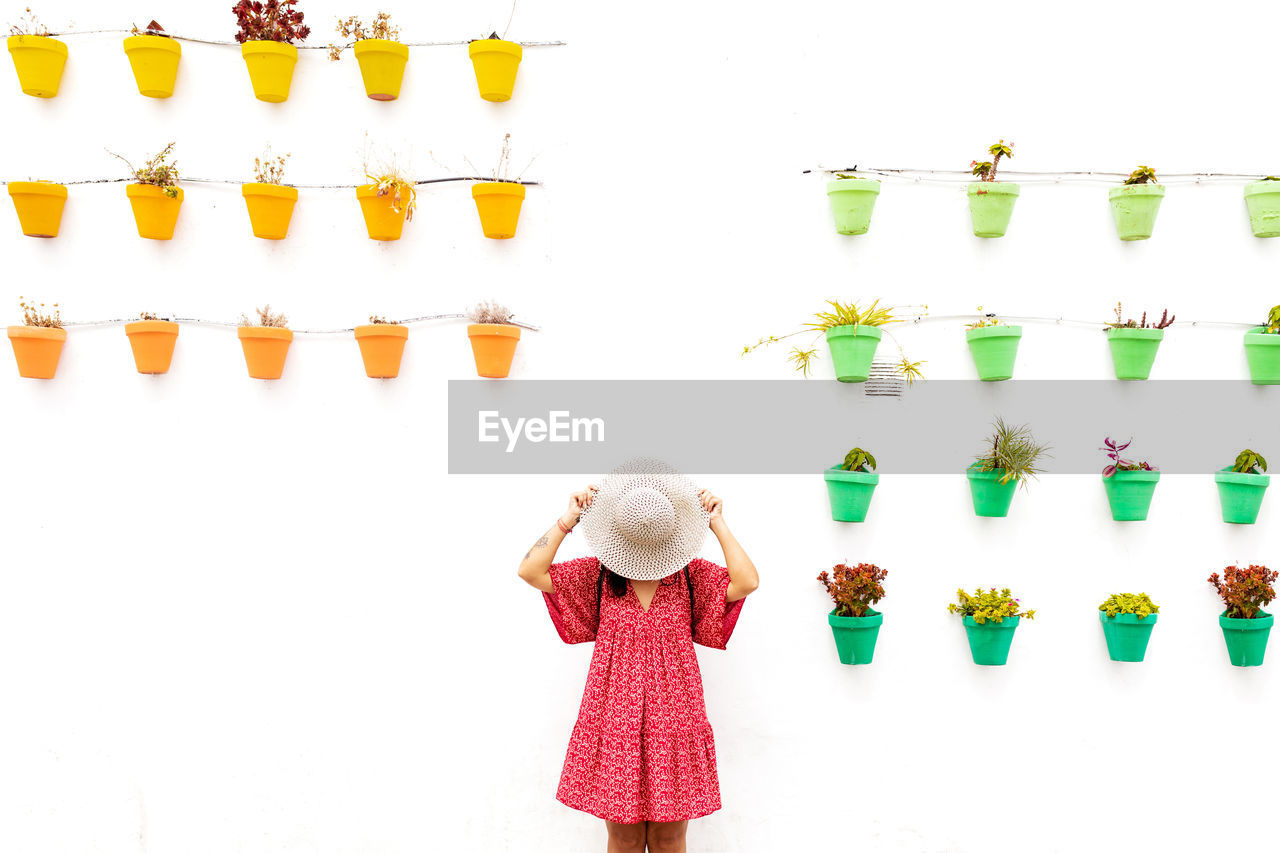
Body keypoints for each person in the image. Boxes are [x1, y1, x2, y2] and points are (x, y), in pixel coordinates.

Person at [518, 458, 760, 853]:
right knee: (624, 838)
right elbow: (530, 570)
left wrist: (717, 523)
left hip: (675, 719)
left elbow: (747, 580)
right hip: (615, 717)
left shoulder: (689, 575)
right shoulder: (597, 573)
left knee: (669, 838)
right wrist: (568, 520)